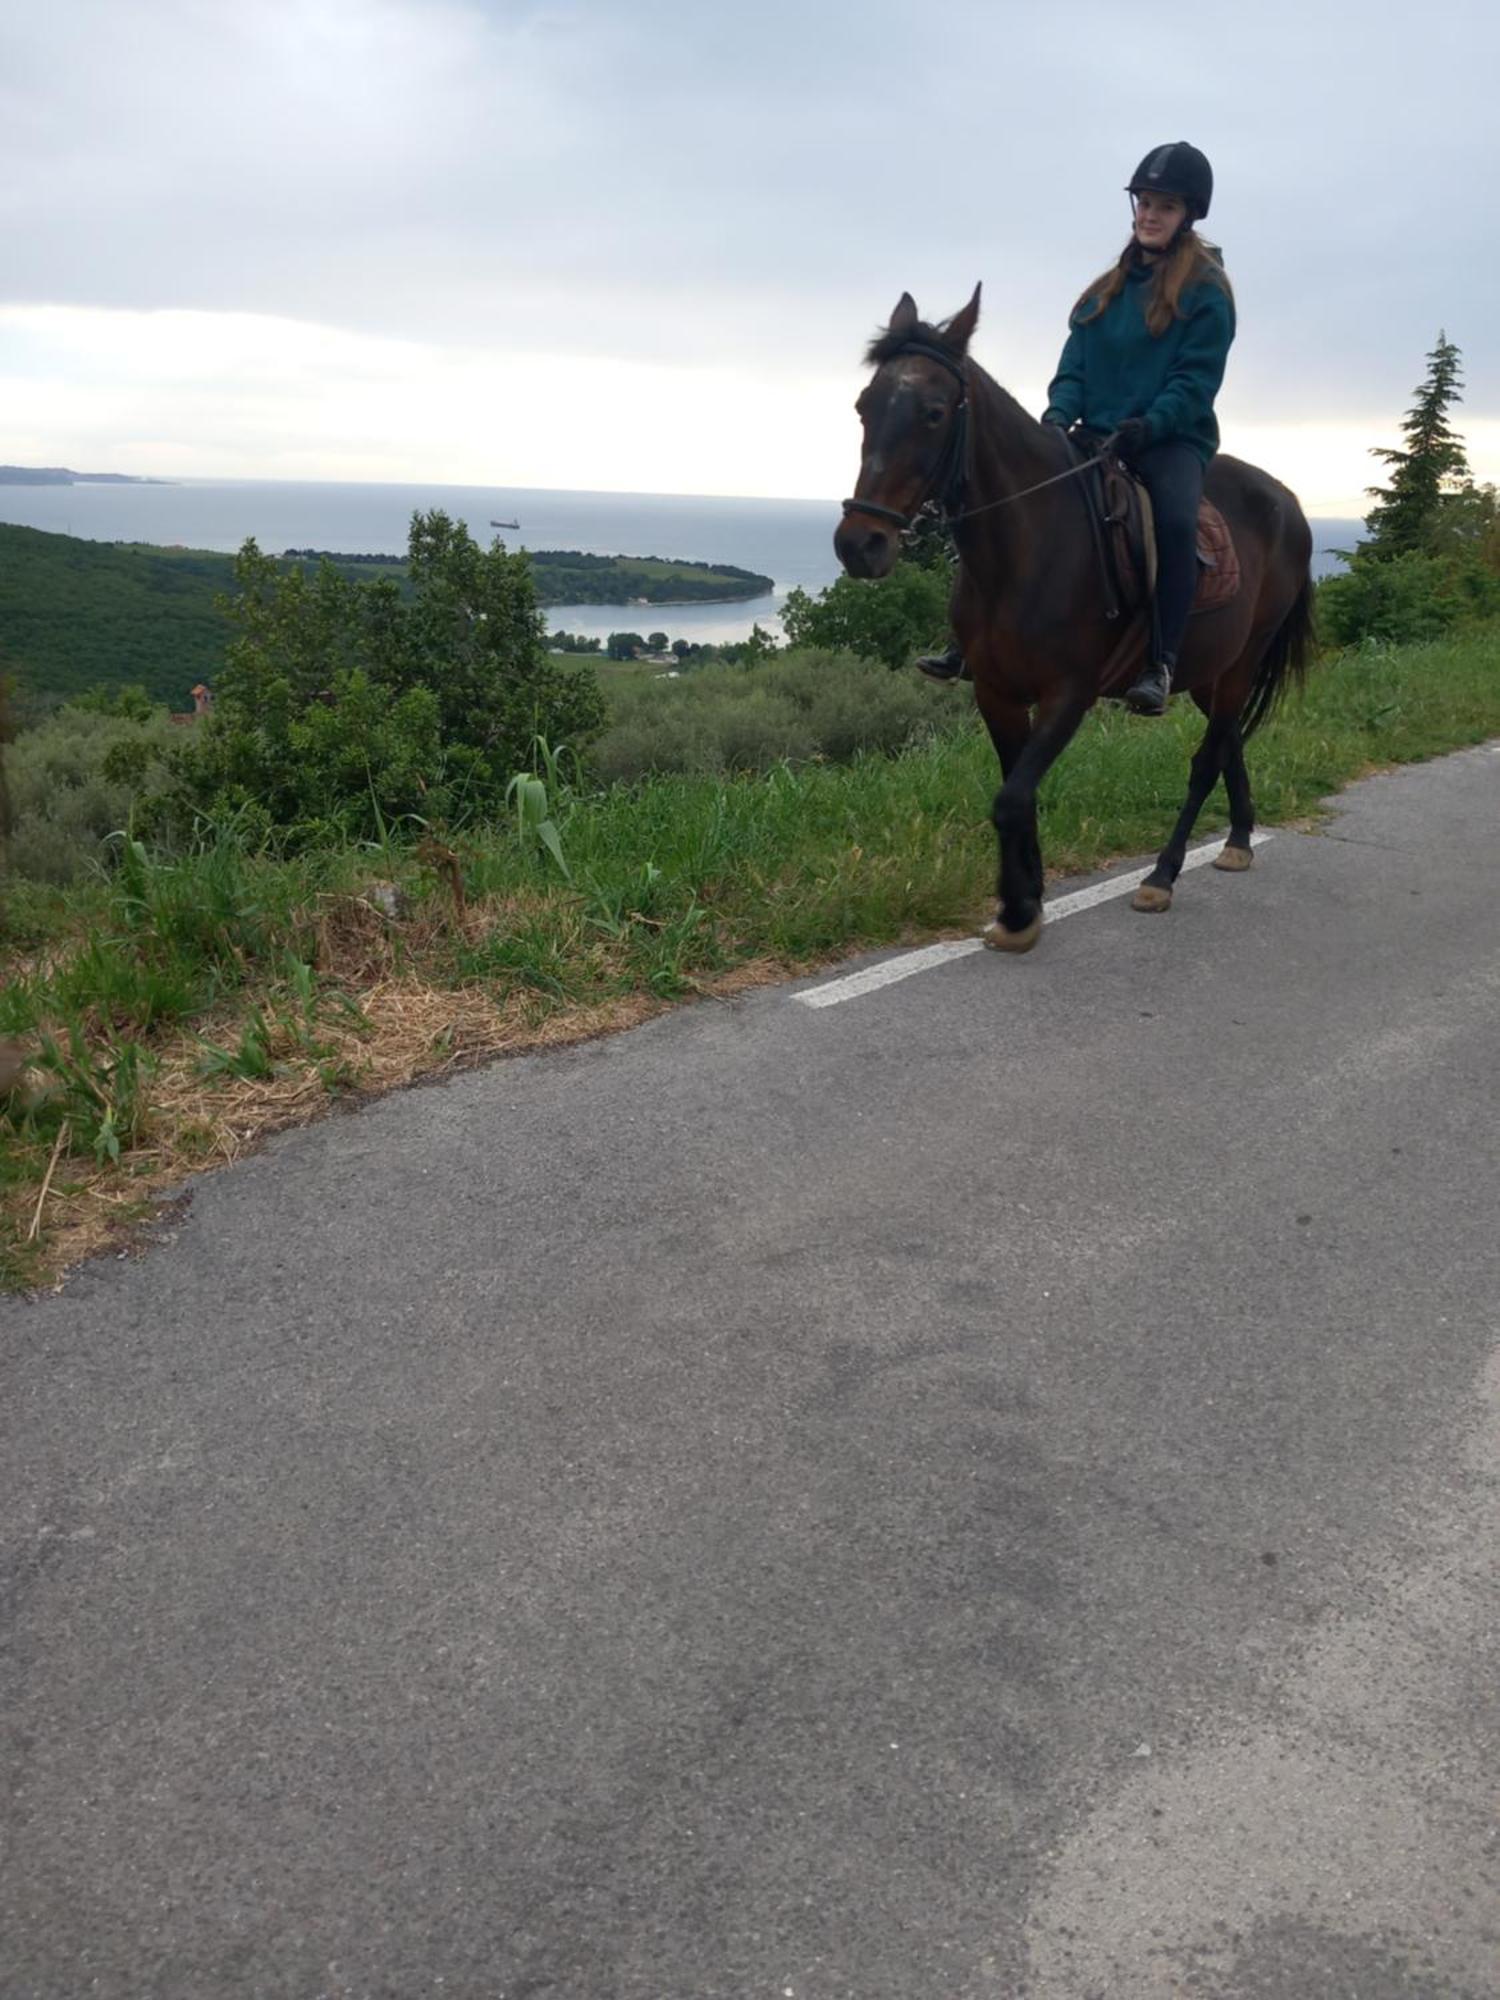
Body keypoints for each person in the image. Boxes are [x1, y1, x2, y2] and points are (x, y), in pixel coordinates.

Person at [918, 142, 1235, 714]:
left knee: (1173, 521)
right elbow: (1074, 367)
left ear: (1188, 214)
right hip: (1095, 435)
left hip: (1168, 442)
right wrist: (1060, 414)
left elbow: (1195, 382)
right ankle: (968, 640)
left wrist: (1150, 424)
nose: (1150, 214)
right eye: (1144, 201)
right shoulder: (1105, 291)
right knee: (1011, 506)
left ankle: (1160, 662)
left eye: (1165, 205)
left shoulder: (1207, 293)